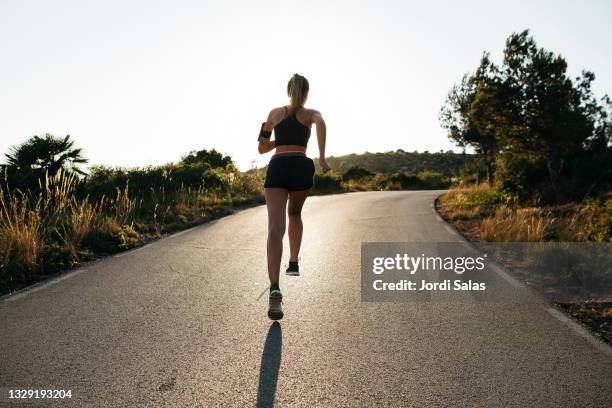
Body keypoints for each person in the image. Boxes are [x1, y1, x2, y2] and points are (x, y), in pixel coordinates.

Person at [257, 73, 330, 320]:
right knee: (295, 213)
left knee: (275, 229)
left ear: (288, 90)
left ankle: (275, 287)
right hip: (300, 164)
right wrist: (321, 157)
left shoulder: (274, 113)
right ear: (306, 92)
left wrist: (279, 139)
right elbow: (321, 124)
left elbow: (261, 148)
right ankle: (294, 261)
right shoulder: (311, 114)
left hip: (278, 165)